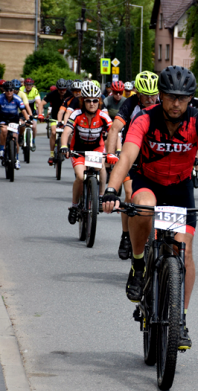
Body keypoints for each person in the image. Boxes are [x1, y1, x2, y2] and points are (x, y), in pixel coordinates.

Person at [101, 66, 198, 350]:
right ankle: (139, 264)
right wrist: (112, 190)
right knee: (144, 206)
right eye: (170, 97)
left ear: (190, 99)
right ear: (160, 96)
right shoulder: (145, 120)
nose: (176, 103)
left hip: (179, 188)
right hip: (147, 180)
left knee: (184, 252)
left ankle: (180, 320)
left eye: (183, 98)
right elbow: (127, 156)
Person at [105, 71, 160, 260]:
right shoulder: (130, 104)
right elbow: (115, 129)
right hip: (132, 154)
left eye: (154, 95)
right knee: (129, 194)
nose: (150, 99)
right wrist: (111, 154)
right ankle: (126, 235)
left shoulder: (161, 104)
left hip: (153, 156)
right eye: (146, 95)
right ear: (138, 93)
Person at [59, 81, 112, 224]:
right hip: (78, 151)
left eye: (95, 100)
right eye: (88, 101)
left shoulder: (103, 116)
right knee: (81, 177)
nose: (92, 103)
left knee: (101, 169)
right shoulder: (77, 114)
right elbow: (67, 132)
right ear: (83, 101)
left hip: (96, 150)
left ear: (99, 101)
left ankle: (100, 197)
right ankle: (75, 206)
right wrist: (64, 145)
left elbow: (113, 133)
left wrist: (115, 151)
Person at [0, 82, 32, 170]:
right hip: (3, 118)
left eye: (11, 90)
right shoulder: (0, 97)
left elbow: (23, 110)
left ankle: (16, 159)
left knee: (15, 137)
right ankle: (2, 150)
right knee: (4, 130)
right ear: (4, 90)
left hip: (13, 118)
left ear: (13, 91)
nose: (9, 92)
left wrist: (28, 120)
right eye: (7, 90)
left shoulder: (17, 98)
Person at [45, 78, 68, 165]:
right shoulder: (52, 94)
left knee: (69, 132)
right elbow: (41, 103)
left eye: (64, 89)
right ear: (57, 88)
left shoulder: (69, 94)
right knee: (53, 132)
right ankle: (51, 154)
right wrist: (40, 114)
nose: (62, 91)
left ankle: (66, 146)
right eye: (60, 89)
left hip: (65, 118)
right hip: (54, 118)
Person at [22, 78, 43, 151]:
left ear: (32, 85)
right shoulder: (21, 89)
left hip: (32, 111)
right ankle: (21, 137)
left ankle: (33, 141)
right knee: (21, 125)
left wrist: (40, 113)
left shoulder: (35, 91)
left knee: (33, 126)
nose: (28, 86)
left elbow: (38, 102)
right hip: (22, 111)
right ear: (24, 85)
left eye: (30, 85)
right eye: (27, 85)